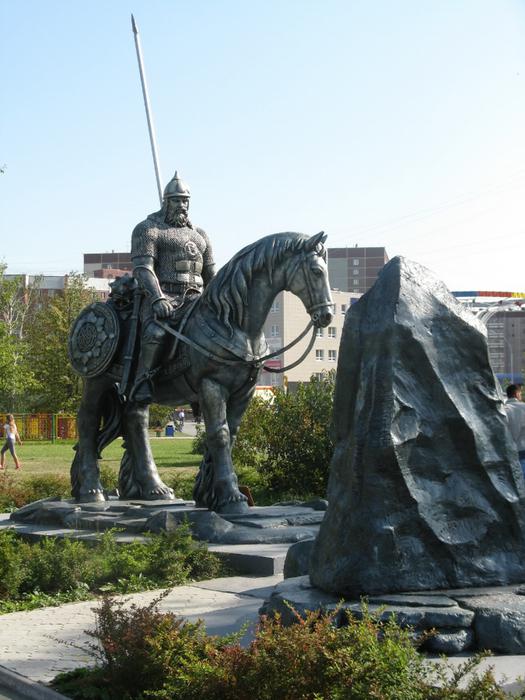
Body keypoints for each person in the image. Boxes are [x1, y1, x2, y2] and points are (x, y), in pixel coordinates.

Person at [130, 171, 216, 403]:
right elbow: (143, 268)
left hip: (196, 300)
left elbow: (211, 274)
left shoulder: (200, 235)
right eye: (176, 200)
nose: (182, 205)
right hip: (164, 297)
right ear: (166, 201)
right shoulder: (149, 229)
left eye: (185, 200)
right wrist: (158, 298)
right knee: (155, 333)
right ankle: (143, 380)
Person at [505, 384, 525, 475]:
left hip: (508, 451)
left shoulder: (502, 409)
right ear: (517, 394)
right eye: (520, 394)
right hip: (522, 450)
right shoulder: (523, 407)